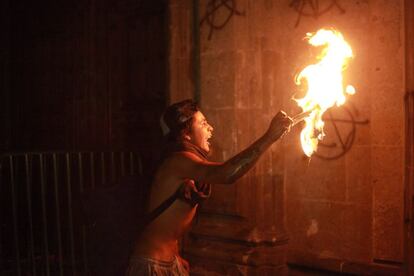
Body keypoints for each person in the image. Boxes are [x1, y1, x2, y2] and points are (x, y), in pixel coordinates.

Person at [126, 99, 292, 276]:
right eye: (203, 123)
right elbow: (226, 174)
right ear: (186, 134)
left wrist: (175, 258)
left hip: (170, 261)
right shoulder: (178, 160)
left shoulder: (186, 160)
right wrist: (269, 137)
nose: (211, 128)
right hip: (151, 266)